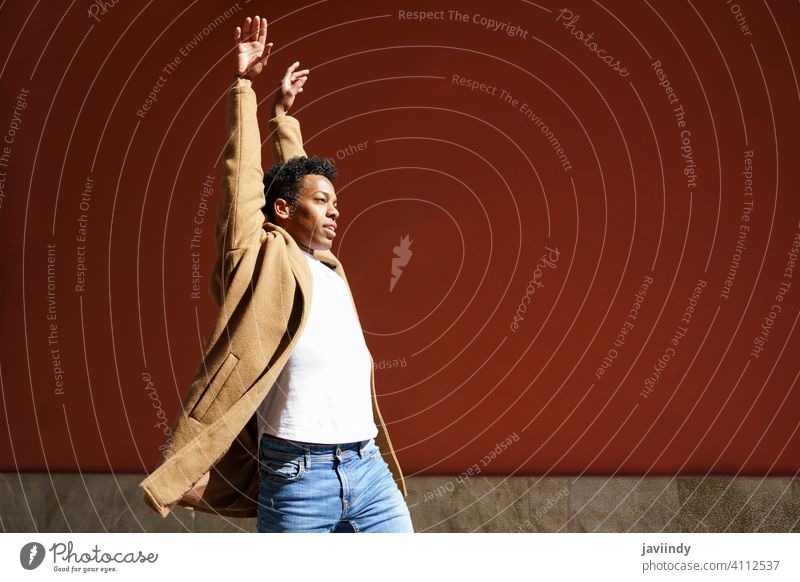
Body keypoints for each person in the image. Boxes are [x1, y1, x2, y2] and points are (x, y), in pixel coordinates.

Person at [138, 15, 413, 533]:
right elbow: (246, 189)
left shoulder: (326, 267)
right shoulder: (256, 260)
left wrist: (283, 117)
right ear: (282, 212)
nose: (335, 212)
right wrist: (244, 87)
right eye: (323, 203)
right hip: (298, 476)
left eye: (337, 203)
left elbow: (299, 181)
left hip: (368, 468)